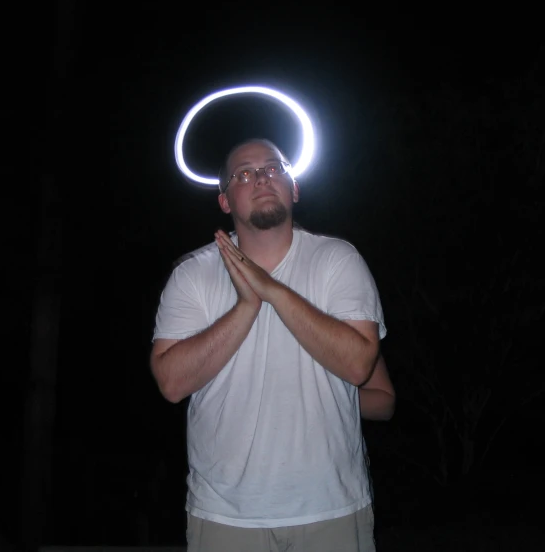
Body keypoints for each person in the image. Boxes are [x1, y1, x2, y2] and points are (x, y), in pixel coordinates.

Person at [150, 137, 393, 551]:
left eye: (273, 168)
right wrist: (247, 306)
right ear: (225, 200)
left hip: (331, 508)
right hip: (225, 514)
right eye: (244, 174)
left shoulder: (338, 259)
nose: (261, 178)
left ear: (293, 188)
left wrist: (273, 290)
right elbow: (171, 383)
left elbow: (359, 367)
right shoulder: (192, 274)